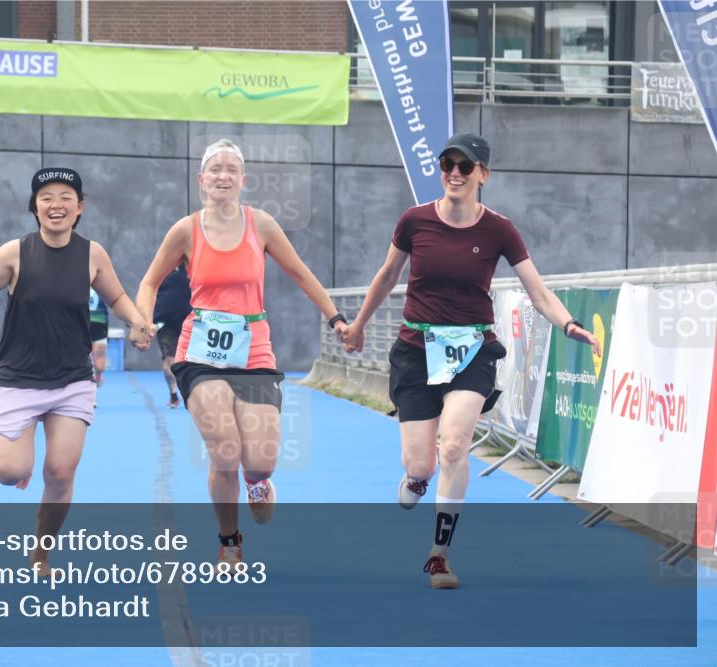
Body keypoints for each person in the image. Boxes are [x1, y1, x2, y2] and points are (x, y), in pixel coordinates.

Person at [341, 133, 601, 589]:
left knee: (456, 444)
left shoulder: (499, 229)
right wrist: (359, 325)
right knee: (420, 463)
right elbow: (386, 276)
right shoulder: (414, 221)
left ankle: (439, 555)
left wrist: (569, 324)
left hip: (473, 350)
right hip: (416, 351)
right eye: (448, 164)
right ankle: (420, 479)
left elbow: (537, 290)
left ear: (484, 174)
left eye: (466, 166)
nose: (455, 173)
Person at [0, 167, 152, 573]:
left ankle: (42, 548)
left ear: (80, 207)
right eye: (46, 197)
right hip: (18, 378)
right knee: (9, 471)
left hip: (72, 378)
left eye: (65, 197)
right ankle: (23, 460)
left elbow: (118, 295)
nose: (56, 205)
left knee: (60, 472)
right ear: (34, 207)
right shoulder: (14, 254)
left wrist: (137, 319)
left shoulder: (93, 255)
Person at [136, 139, 347, 564]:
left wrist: (336, 319)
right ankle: (229, 542)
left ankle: (258, 481)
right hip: (200, 352)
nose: (223, 176)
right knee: (224, 450)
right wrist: (143, 319)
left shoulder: (262, 225)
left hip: (254, 351)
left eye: (231, 169)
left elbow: (301, 275)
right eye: (215, 169)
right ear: (201, 179)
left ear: (243, 180)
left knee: (261, 460)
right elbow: (149, 282)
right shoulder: (185, 230)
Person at [152, 262, 192, 408]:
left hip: (190, 323)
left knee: (190, 363)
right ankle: (173, 395)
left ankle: (190, 394)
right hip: (165, 324)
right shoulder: (160, 269)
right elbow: (148, 291)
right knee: (170, 363)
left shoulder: (195, 269)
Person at [88, 288, 109, 385]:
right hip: (77, 322)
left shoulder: (102, 275)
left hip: (99, 322)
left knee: (99, 366)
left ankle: (97, 376)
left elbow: (118, 298)